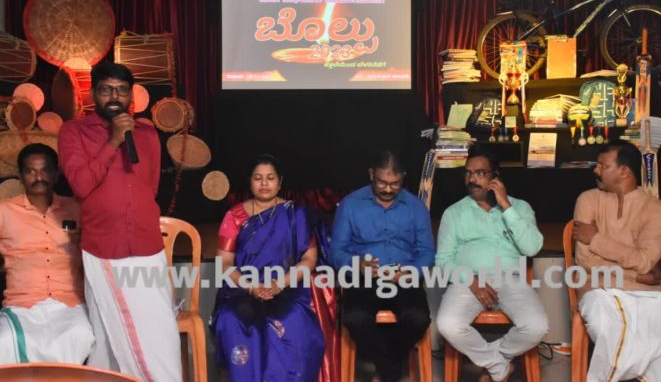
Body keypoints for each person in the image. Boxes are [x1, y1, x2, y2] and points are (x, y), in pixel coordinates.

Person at [58, 61, 181, 381]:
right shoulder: (73, 132)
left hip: (147, 244)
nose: (115, 97)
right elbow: (81, 186)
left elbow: (150, 186)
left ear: (131, 96)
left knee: (160, 330)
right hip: (106, 248)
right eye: (106, 90)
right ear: (93, 94)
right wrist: (113, 141)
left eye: (122, 90)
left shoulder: (147, 134)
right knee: (121, 335)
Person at [573, 140, 661, 382]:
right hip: (599, 290)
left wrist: (596, 239)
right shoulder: (587, 200)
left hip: (650, 294)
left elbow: (645, 260)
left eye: (603, 165)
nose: (596, 170)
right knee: (607, 325)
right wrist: (637, 274)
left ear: (624, 171)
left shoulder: (656, 211)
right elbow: (586, 260)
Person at [0, 143, 95, 365]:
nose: (38, 177)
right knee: (7, 340)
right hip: (22, 307)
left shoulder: (76, 209)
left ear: (56, 174)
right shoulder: (1, 212)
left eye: (45, 170)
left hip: (71, 304)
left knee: (82, 336)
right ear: (21, 176)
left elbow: (99, 254)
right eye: (31, 171)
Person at [211, 154, 331, 381]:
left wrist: (277, 285)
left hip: (287, 288)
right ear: (250, 181)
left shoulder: (296, 214)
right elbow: (224, 263)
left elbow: (309, 259)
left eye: (270, 178)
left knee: (293, 321)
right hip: (242, 289)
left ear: (280, 181)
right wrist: (252, 287)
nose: (264, 183)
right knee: (232, 319)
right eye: (258, 178)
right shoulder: (234, 216)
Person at [436, 142, 548, 382]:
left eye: (480, 173)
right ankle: (499, 367)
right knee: (447, 324)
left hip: (510, 279)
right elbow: (443, 261)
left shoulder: (520, 208)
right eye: (468, 173)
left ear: (495, 177)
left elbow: (532, 247)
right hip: (467, 281)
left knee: (536, 326)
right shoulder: (454, 213)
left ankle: (493, 362)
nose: (472, 179)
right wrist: (472, 281)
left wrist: (506, 206)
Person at [330, 150, 435, 382]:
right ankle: (390, 372)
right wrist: (357, 265)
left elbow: (427, 252)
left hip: (403, 277)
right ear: (371, 174)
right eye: (381, 182)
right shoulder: (350, 204)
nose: (387, 189)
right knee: (355, 318)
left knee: (418, 318)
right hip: (363, 277)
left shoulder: (416, 207)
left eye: (394, 184)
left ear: (403, 177)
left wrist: (410, 272)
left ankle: (384, 369)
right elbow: (335, 252)